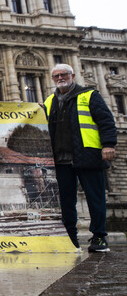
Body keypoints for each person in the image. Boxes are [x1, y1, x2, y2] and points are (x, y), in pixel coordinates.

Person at [44, 63, 117, 252]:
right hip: (60, 160)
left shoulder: (89, 95)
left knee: (95, 198)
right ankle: (71, 238)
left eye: (64, 74)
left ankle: (99, 237)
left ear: (72, 75)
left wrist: (108, 144)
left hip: (88, 156)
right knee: (66, 202)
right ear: (53, 79)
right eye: (56, 76)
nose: (60, 78)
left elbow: (106, 120)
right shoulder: (49, 101)